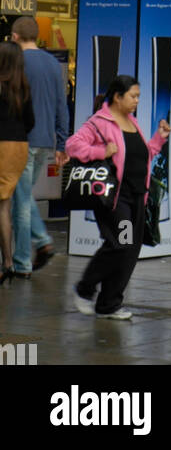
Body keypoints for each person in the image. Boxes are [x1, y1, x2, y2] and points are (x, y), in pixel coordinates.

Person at [65, 75, 170, 319]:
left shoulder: (132, 122)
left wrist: (158, 139)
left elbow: (142, 157)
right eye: (133, 96)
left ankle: (108, 304)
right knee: (121, 244)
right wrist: (100, 150)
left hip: (137, 196)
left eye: (138, 96)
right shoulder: (99, 122)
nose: (136, 101)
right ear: (117, 97)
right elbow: (73, 146)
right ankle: (84, 288)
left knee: (130, 252)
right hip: (115, 197)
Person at [10, 15, 69, 277]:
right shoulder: (53, 64)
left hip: (21, 139)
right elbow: (61, 104)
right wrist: (62, 141)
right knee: (22, 197)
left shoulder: (17, 62)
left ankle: (24, 260)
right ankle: (40, 243)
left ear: (14, 37)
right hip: (45, 140)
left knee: (20, 201)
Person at [0, 41, 35, 285]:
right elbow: (30, 121)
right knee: (6, 204)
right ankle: (9, 262)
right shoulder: (23, 87)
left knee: (2, 207)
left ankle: (8, 262)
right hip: (19, 146)